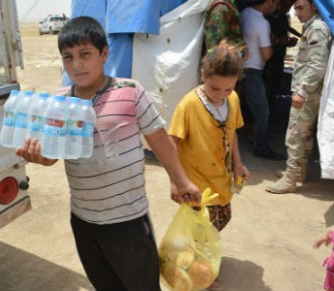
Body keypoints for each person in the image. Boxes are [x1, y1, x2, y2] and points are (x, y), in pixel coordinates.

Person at [16, 16, 201, 291]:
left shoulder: (129, 92)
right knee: (105, 284)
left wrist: (180, 180)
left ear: (104, 53)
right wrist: (41, 158)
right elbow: (54, 154)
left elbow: (160, 140)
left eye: (85, 54)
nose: (76, 64)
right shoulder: (60, 102)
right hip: (84, 219)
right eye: (68, 57)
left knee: (142, 285)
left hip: (128, 220)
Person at [169, 45, 250, 291]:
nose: (221, 94)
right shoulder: (188, 105)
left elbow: (232, 133)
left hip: (221, 179)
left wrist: (238, 164)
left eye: (229, 88)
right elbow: (172, 142)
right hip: (196, 184)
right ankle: (203, 273)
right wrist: (175, 180)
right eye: (215, 88)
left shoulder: (232, 100)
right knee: (204, 229)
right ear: (202, 76)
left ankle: (190, 257)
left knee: (222, 218)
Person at [266, 0, 331, 194]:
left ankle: (291, 178)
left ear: (314, 7)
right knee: (306, 135)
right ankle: (299, 172)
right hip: (311, 92)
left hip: (308, 93)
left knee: (295, 135)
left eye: (301, 7)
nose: (296, 12)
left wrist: (302, 91)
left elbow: (318, 65)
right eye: (295, 8)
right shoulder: (312, 26)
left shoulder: (317, 28)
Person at [239, 0, 284, 160]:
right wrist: (273, 41)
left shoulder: (245, 13)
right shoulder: (262, 23)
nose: (277, 8)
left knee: (244, 109)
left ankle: (252, 138)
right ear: (269, 2)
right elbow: (267, 55)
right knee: (262, 113)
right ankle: (261, 148)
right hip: (253, 71)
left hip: (241, 68)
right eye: (276, 4)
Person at [264, 0, 300, 111]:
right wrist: (279, 41)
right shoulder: (268, 17)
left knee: (276, 85)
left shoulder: (283, 17)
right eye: (285, 5)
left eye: (290, 6)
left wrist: (289, 42)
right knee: (266, 87)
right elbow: (265, 40)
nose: (287, 8)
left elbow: (288, 30)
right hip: (268, 61)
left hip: (279, 59)